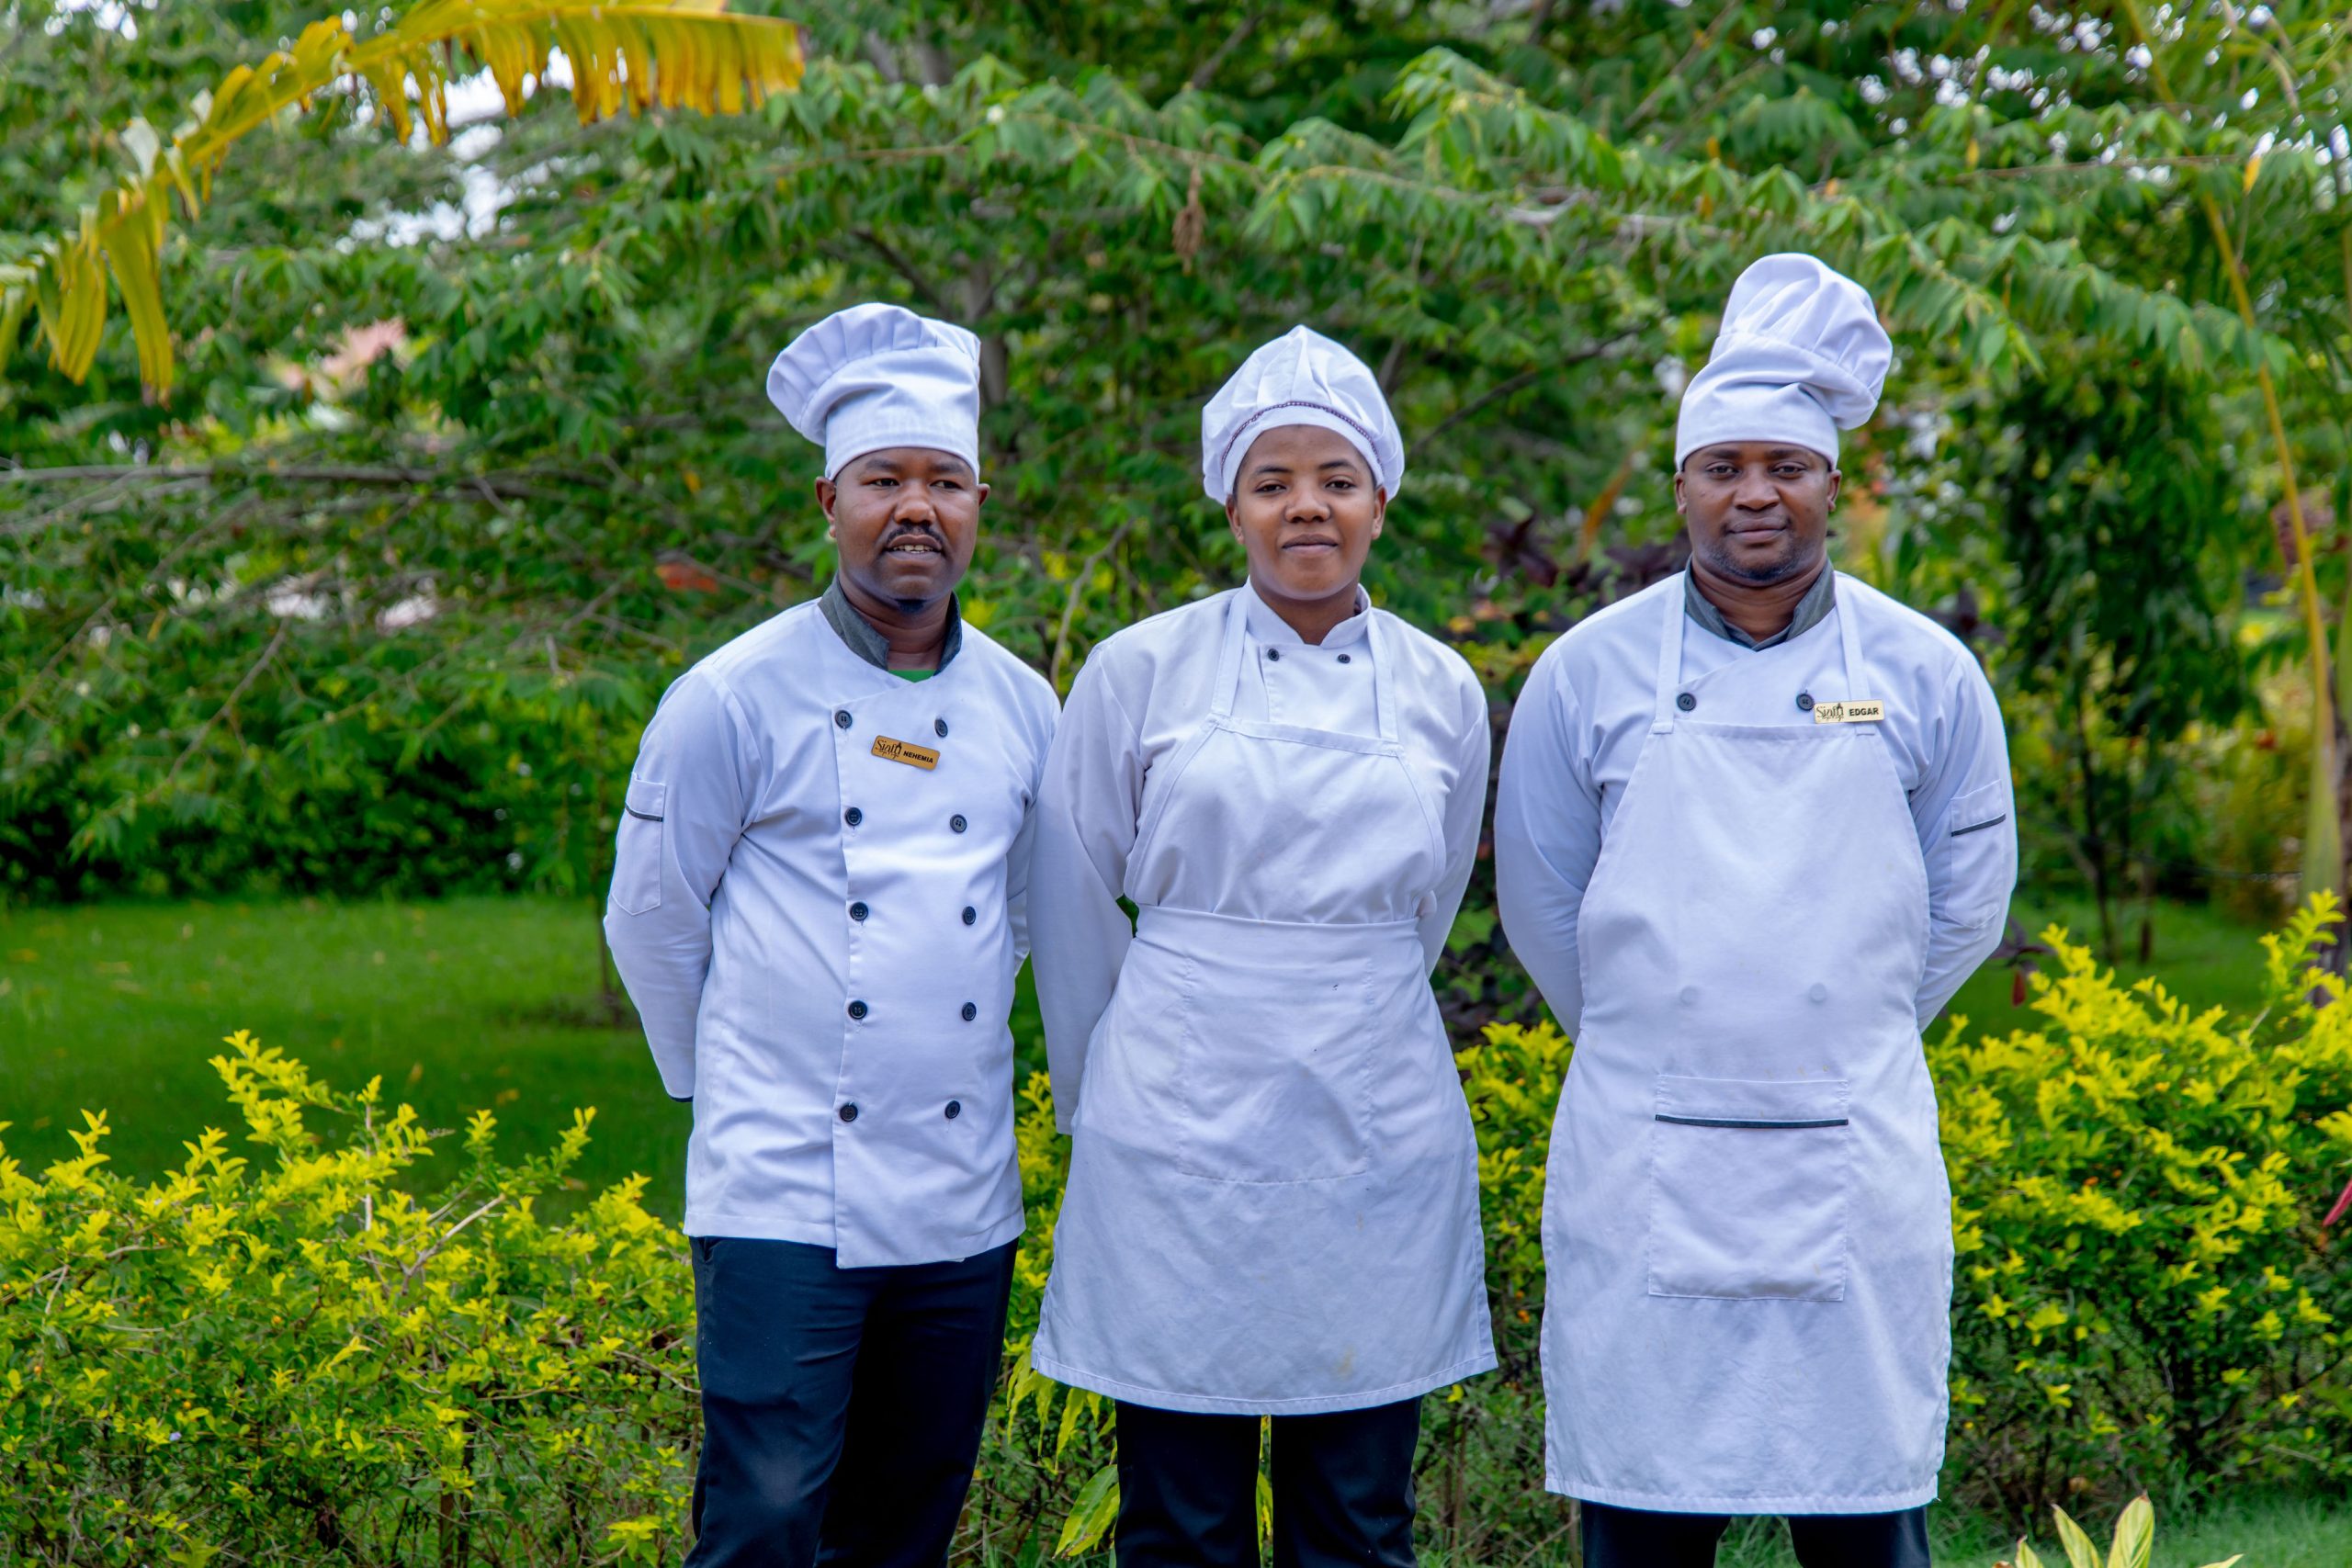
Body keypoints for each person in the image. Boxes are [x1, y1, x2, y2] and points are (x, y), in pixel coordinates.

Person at [1492, 254, 2018, 1568]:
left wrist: (1838, 1026)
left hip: (1853, 1137)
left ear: (1833, 482)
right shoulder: (1587, 673)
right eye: (1722, 466)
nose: (1755, 493)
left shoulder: (1926, 673)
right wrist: (1664, 1035)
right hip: (1644, 1144)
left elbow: (1966, 902)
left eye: (1786, 465)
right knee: (1641, 1525)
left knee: (1864, 1522)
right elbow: (1542, 900)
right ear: (1681, 487)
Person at [1028, 326, 1496, 1568]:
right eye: (1273, 481)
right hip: (1174, 1119)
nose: (1307, 507)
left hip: (1375, 1115)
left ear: (1380, 503)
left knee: (1359, 1515)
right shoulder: (1139, 670)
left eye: (1337, 480)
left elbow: (1426, 905)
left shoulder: (1441, 688)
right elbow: (1072, 895)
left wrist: (1340, 986)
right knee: (1180, 1518)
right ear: (1230, 505)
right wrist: (1100, 1094)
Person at [604, 302, 1058, 1568]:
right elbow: (651, 917)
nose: (917, 508)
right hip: (783, 1189)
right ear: (828, 501)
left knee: (909, 1523)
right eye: (884, 480)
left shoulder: (1026, 705)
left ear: (977, 506)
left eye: (945, 482)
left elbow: (1026, 917)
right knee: (761, 1518)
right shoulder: (732, 695)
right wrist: (730, 1084)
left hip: (959, 1197)